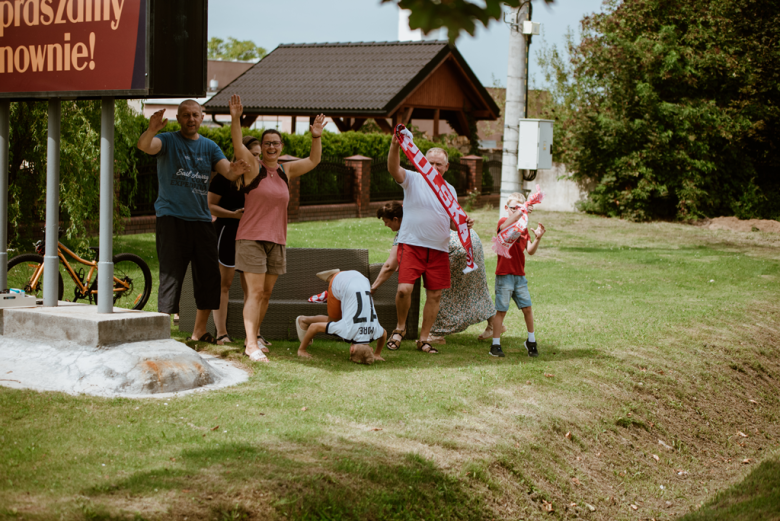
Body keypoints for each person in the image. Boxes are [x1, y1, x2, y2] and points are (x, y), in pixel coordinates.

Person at [136, 100, 248, 344]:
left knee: (209, 276)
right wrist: (152, 129)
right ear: (178, 118)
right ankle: (161, 335)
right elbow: (145, 146)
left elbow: (227, 172)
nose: (191, 119)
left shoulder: (209, 146)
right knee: (171, 275)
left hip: (201, 221)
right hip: (172, 219)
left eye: (195, 115)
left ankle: (199, 332)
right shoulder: (167, 140)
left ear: (202, 116)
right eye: (185, 115)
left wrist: (236, 169)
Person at [229, 94, 325, 362]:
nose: (271, 147)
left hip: (277, 241)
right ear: (262, 147)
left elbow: (313, 161)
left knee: (266, 293)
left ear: (281, 146)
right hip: (250, 239)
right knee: (255, 292)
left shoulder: (285, 171)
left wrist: (316, 136)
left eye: (275, 143)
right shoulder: (252, 169)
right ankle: (250, 345)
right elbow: (238, 145)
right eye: (267, 143)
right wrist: (235, 119)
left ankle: (255, 335)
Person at [386, 139, 472, 354]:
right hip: (412, 245)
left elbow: (451, 222)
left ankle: (424, 339)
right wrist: (395, 146)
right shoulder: (413, 179)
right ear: (422, 162)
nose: (433, 168)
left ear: (446, 167)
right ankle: (400, 329)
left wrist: (464, 223)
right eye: (430, 163)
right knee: (404, 290)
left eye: (438, 164)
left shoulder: (449, 190)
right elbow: (393, 168)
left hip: (439, 249)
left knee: (434, 296)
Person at [207, 135, 271, 348]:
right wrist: (232, 215)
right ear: (240, 154)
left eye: (258, 156)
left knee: (252, 290)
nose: (256, 160)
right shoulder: (224, 178)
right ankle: (221, 333)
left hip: (252, 236)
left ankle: (254, 336)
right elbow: (209, 206)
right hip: (227, 233)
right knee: (223, 285)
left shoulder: (260, 178)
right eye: (252, 155)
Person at [490, 192, 546, 357]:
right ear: (507, 208)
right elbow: (503, 228)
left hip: (519, 276)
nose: (517, 211)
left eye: (520, 208)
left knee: (527, 308)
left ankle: (531, 341)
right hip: (504, 275)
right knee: (501, 310)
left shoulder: (523, 228)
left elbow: (530, 251)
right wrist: (519, 212)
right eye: (513, 208)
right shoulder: (504, 222)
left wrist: (537, 239)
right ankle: (495, 345)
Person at [295, 269, 386, 364]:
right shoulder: (346, 330)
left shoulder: (375, 331)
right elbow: (314, 327)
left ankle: (336, 278)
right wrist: (302, 350)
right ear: (351, 349)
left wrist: (377, 354)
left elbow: (384, 334)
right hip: (341, 282)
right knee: (332, 321)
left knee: (338, 320)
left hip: (361, 278)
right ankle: (304, 320)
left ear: (371, 349)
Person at [428, 228, 497, 343]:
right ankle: (494, 324)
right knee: (477, 286)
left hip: (455, 244)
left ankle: (437, 334)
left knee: (441, 289)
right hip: (471, 238)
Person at [370, 201, 403, 293]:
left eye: (386, 222)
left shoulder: (402, 234)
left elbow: (389, 266)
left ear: (395, 219)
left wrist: (373, 288)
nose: (386, 225)